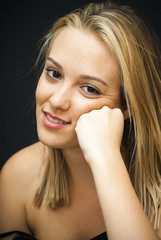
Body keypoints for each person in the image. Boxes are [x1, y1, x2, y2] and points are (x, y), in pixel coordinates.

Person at [0, 1, 161, 239]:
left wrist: (105, 158)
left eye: (89, 88)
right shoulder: (19, 175)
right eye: (54, 73)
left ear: (127, 106)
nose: (56, 100)